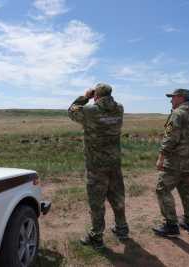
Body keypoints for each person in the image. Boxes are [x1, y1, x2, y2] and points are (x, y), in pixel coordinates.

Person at [68, 83, 129, 249]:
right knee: (117, 197)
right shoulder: (119, 109)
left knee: (97, 202)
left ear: (97, 96)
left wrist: (85, 97)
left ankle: (96, 236)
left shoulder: (91, 111)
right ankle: (122, 228)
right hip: (114, 163)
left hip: (96, 166)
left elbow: (71, 111)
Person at [152, 88, 189, 237]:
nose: (171, 100)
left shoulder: (177, 114)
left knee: (162, 189)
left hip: (175, 162)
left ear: (181, 98)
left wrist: (161, 157)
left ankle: (171, 225)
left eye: (173, 97)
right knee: (188, 192)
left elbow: (170, 138)